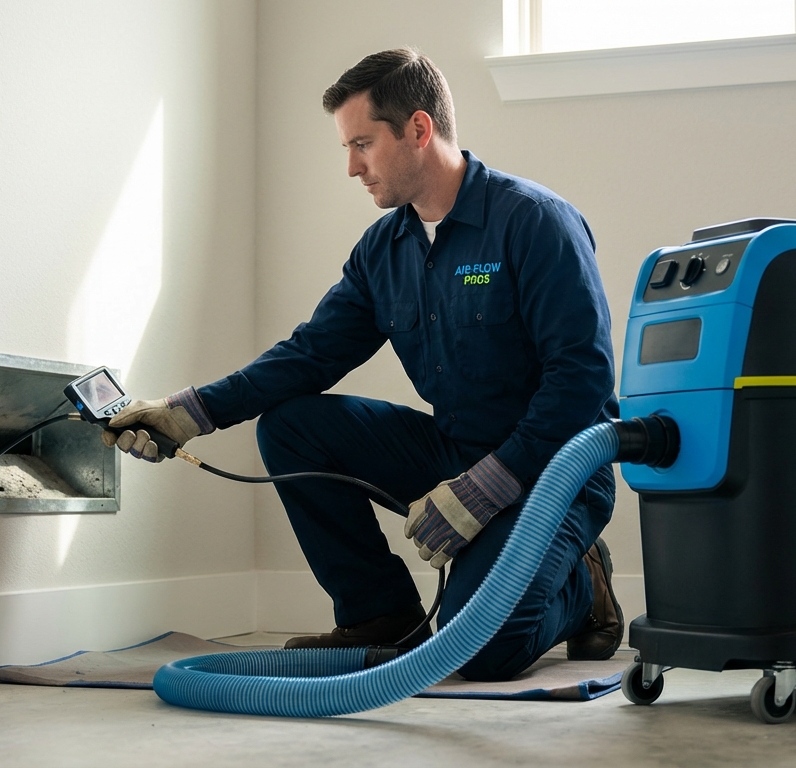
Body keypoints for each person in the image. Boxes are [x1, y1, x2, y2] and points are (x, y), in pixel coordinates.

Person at [105, 48, 621, 681]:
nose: (352, 167)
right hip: (452, 448)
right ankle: (382, 617)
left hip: (551, 475)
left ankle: (582, 583)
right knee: (291, 425)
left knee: (481, 651)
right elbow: (310, 354)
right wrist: (189, 414)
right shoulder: (385, 249)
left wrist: (490, 487)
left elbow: (584, 380)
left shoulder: (534, 222)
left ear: (419, 129)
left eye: (362, 144)